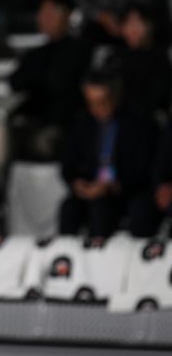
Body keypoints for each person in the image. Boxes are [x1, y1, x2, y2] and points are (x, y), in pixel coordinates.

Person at [59, 71, 158, 240]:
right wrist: (76, 182)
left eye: (102, 102)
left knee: (105, 210)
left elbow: (145, 168)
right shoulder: (83, 123)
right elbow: (68, 163)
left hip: (126, 190)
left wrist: (112, 186)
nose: (97, 108)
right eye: (91, 103)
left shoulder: (139, 123)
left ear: (116, 96)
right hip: (92, 189)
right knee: (69, 209)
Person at [8, 0, 90, 161]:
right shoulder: (35, 54)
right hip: (34, 118)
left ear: (66, 16)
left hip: (63, 121)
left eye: (50, 13)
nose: (43, 18)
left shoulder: (79, 51)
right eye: (42, 13)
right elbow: (16, 82)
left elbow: (63, 86)